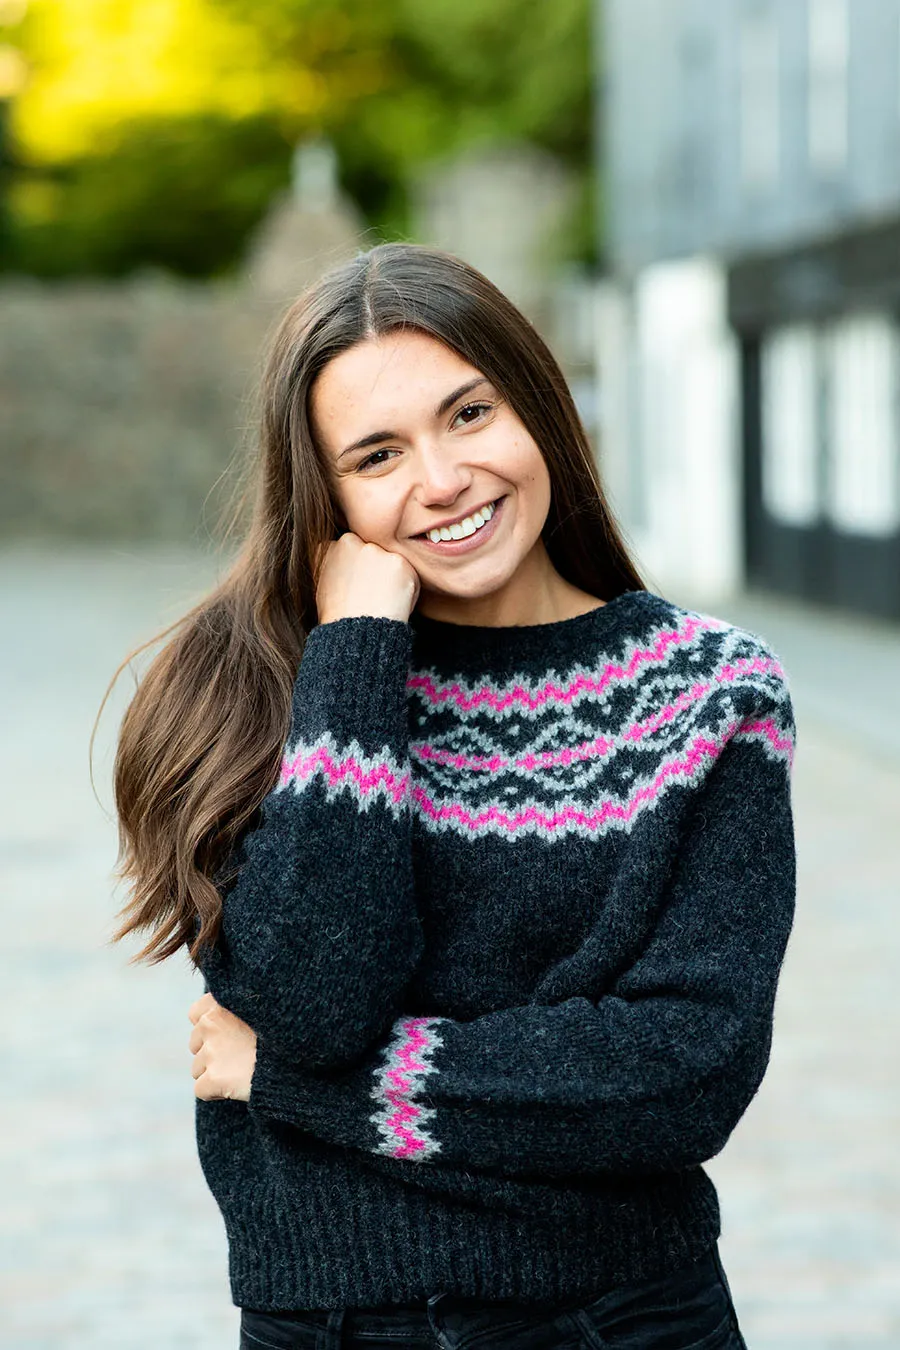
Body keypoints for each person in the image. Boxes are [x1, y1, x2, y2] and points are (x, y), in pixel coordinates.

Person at [109, 242, 796, 1349]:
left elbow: (680, 1074)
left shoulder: (709, 693)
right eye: (378, 454)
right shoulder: (247, 693)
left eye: (469, 415)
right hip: (326, 1324)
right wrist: (359, 656)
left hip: (621, 1321)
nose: (441, 479)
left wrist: (298, 1087)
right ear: (324, 492)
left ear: (539, 409)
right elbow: (315, 999)